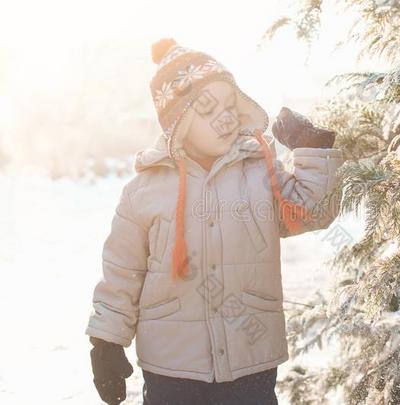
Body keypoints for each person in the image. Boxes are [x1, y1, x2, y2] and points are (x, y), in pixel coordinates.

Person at [84, 38, 346, 405]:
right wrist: (106, 342)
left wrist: (312, 151)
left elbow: (311, 213)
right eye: (208, 109)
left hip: (250, 358)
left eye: (229, 105)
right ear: (179, 122)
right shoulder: (144, 191)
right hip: (173, 368)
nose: (225, 117)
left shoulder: (260, 171)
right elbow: (122, 272)